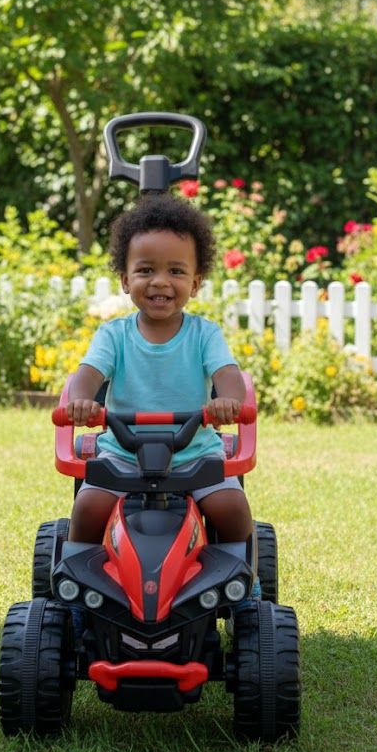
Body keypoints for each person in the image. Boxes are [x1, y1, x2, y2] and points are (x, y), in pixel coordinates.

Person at [64, 192, 254, 548]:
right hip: (122, 453)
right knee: (88, 507)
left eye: (176, 271)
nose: (160, 281)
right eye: (146, 270)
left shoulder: (204, 334)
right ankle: (75, 580)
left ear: (195, 283)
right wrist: (81, 403)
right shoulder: (114, 334)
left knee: (232, 507)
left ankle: (244, 581)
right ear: (125, 279)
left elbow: (229, 375)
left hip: (194, 452)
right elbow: (87, 374)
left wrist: (228, 401)